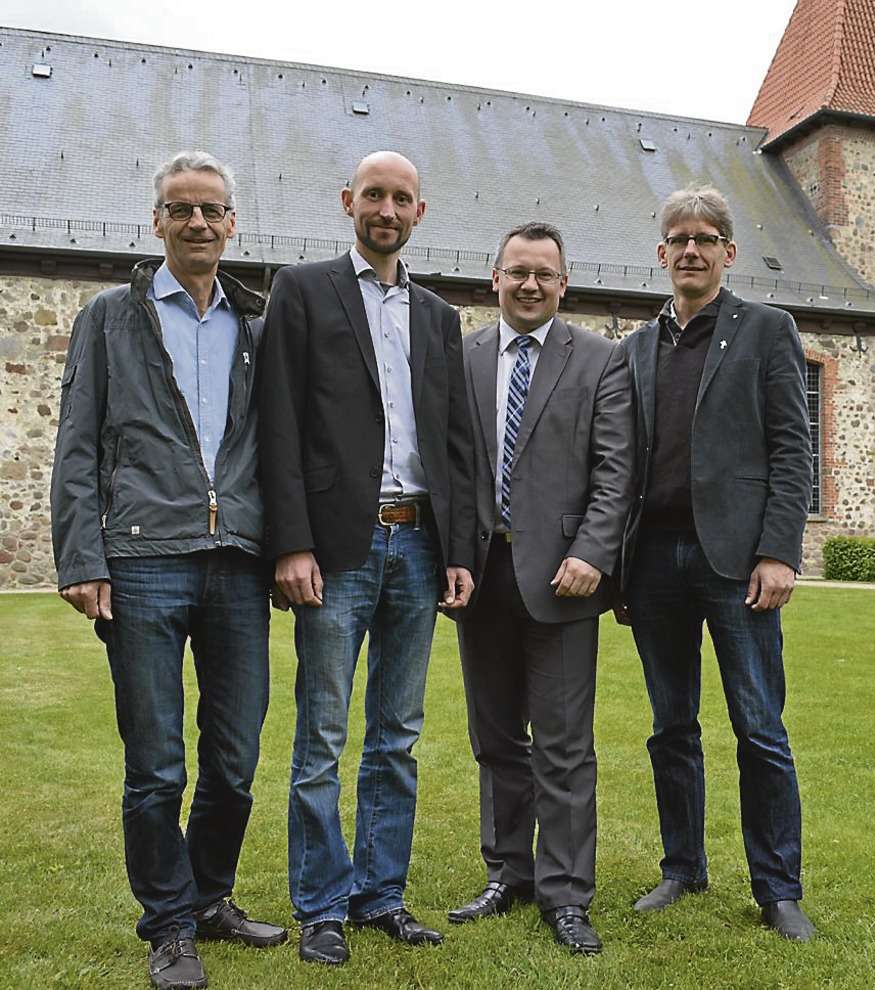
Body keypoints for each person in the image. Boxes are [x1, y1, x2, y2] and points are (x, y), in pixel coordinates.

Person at [50, 151, 286, 990]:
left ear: (232, 223)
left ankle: (210, 898)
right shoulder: (109, 318)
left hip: (237, 564)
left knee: (234, 756)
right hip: (143, 561)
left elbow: (278, 449)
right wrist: (81, 555)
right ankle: (169, 926)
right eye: (179, 210)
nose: (196, 223)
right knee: (156, 763)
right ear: (156, 223)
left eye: (211, 210)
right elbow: (75, 440)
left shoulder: (256, 326)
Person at [259, 151, 476, 965]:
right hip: (337, 549)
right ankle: (320, 905)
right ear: (349, 201)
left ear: (420, 212)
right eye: (374, 194)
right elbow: (277, 423)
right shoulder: (303, 290)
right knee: (321, 734)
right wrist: (290, 541)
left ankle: (381, 894)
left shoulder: (436, 314)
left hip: (417, 542)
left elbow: (454, 443)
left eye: (402, 198)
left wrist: (458, 549)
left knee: (396, 735)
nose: (387, 208)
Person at [616, 186, 816, 941]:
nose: (690, 250)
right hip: (654, 562)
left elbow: (791, 449)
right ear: (660, 252)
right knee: (671, 727)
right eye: (677, 238)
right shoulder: (636, 347)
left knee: (759, 726)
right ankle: (682, 867)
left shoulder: (767, 330)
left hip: (735, 561)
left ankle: (777, 887)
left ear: (728, 252)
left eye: (705, 237)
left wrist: (777, 552)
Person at [447, 222, 633, 955]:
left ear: (563, 285)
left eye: (543, 275)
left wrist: (593, 551)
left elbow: (616, 469)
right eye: (516, 272)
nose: (529, 285)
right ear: (492, 278)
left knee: (562, 747)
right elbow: (452, 467)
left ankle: (564, 895)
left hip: (563, 579)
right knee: (494, 740)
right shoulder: (459, 359)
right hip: (479, 577)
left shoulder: (598, 360)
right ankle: (506, 873)